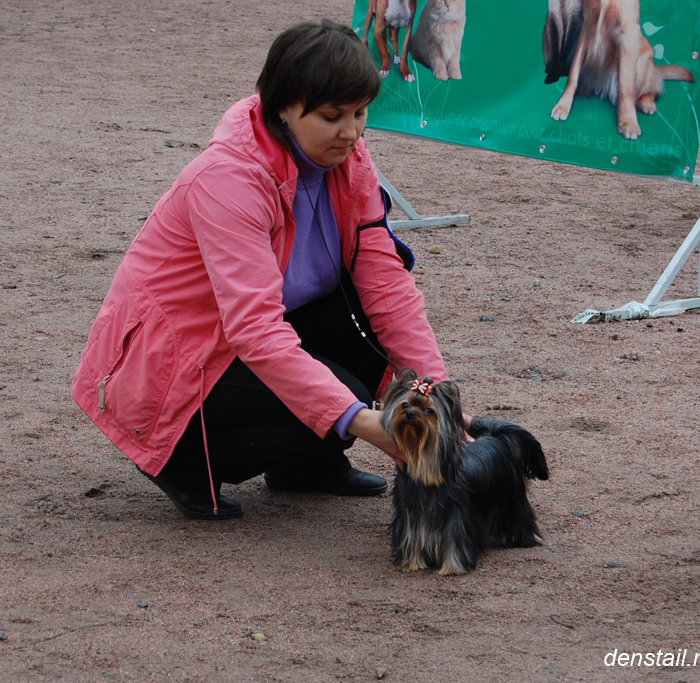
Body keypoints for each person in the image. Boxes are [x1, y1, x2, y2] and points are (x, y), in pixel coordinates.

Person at [71, 19, 455, 520]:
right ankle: (182, 460)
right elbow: (254, 330)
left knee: (368, 320)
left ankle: (306, 464)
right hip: (178, 356)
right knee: (350, 397)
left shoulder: (350, 158)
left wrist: (438, 399)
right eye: (331, 116)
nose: (352, 132)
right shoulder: (228, 180)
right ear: (282, 109)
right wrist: (360, 421)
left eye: (360, 113)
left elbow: (387, 285)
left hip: (256, 329)